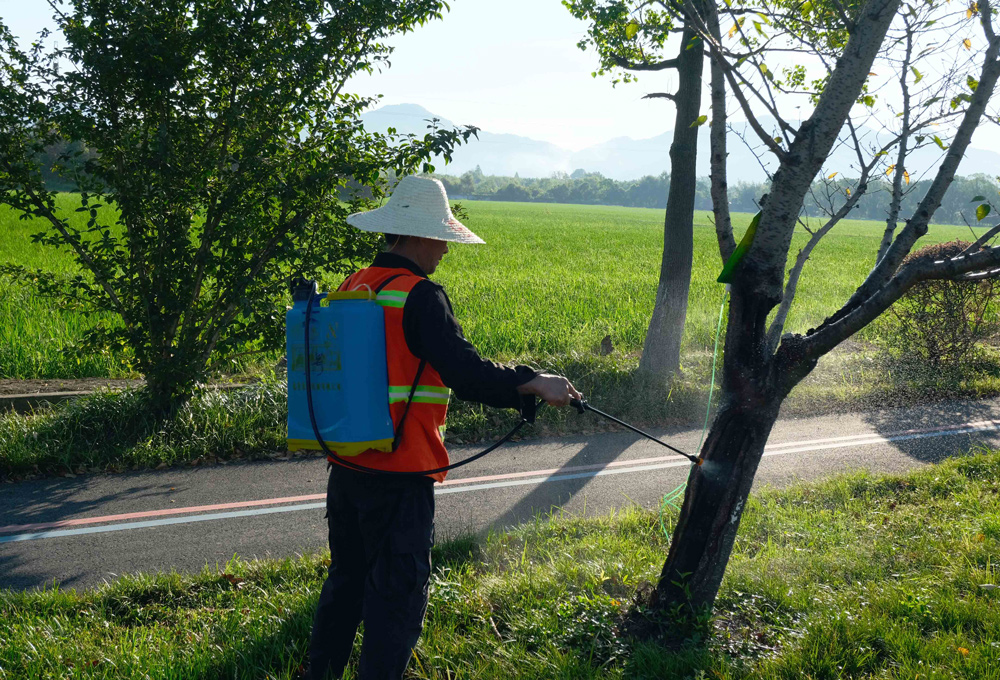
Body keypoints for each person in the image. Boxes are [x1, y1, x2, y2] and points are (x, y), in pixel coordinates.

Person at [307, 175, 582, 680]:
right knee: (396, 599)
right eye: (442, 239)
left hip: (347, 468)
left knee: (346, 584)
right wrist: (534, 383)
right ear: (419, 236)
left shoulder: (355, 283)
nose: (445, 251)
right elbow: (467, 373)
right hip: (400, 472)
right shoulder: (420, 295)